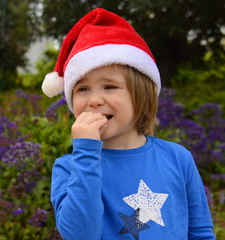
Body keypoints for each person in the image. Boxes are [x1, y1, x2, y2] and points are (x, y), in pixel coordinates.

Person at [41, 8, 215, 240]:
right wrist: (86, 152)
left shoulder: (178, 159)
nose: (94, 100)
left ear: (141, 95)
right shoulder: (70, 168)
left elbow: (200, 233)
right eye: (82, 89)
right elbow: (81, 235)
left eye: (109, 86)